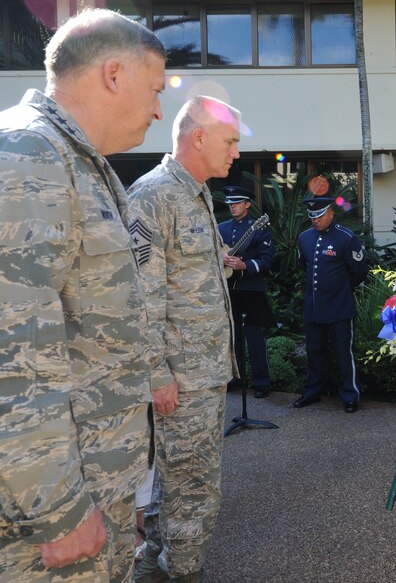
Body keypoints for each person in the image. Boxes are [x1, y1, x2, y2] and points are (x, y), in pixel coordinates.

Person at [0, 9, 165, 582]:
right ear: (114, 74)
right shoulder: (28, 155)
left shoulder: (83, 164)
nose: (158, 109)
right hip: (49, 520)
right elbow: (15, 350)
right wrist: (58, 510)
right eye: (155, 89)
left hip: (99, 485)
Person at [128, 95, 239, 582]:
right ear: (199, 137)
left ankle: (151, 565)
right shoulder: (153, 196)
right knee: (194, 488)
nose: (236, 151)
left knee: (175, 484)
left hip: (204, 371)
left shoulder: (196, 192)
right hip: (181, 378)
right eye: (230, 141)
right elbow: (141, 299)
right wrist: (157, 375)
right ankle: (183, 572)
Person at [294, 183, 369, 413]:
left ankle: (350, 395)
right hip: (314, 308)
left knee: (343, 354)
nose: (315, 220)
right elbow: (303, 266)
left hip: (339, 307)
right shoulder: (305, 238)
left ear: (331, 213)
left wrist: (342, 290)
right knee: (314, 352)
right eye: (312, 216)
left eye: (319, 215)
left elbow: (359, 271)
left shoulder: (346, 238)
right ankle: (312, 391)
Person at [219, 187, 276, 398]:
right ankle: (237, 376)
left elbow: (268, 259)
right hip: (228, 289)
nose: (232, 206)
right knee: (233, 337)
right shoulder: (221, 228)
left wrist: (246, 265)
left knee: (254, 337)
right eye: (230, 203)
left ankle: (262, 382)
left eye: (237, 202)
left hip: (251, 289)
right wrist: (221, 258)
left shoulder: (258, 228)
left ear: (248, 204)